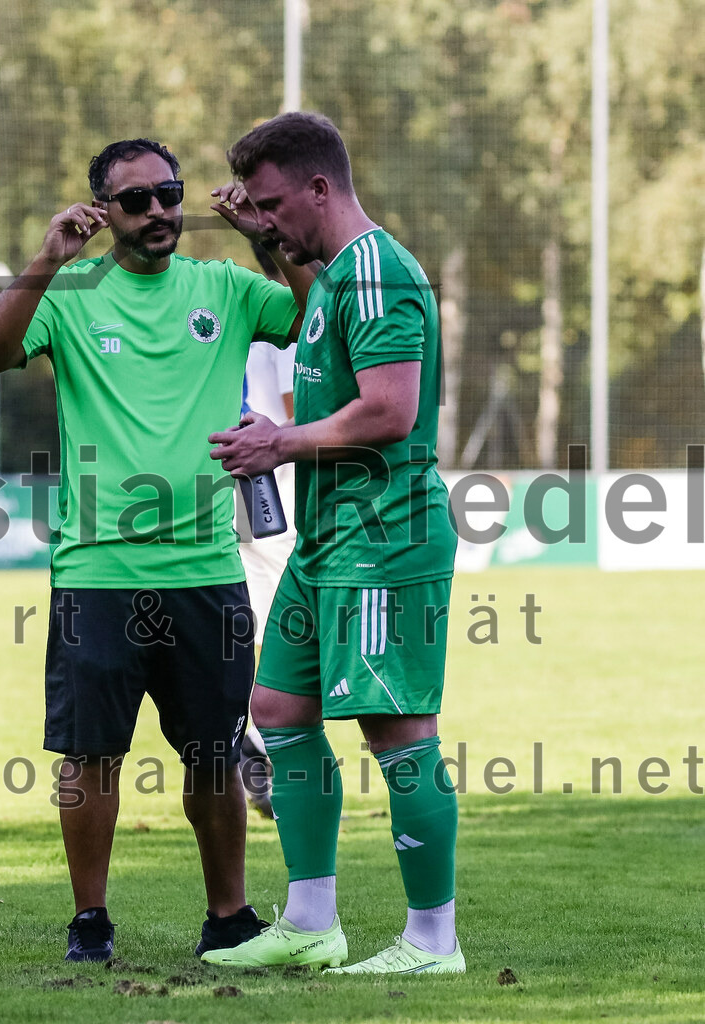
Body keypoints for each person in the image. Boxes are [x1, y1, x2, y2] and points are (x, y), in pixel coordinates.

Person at [0, 138, 316, 963]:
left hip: (204, 568)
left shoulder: (225, 288)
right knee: (90, 756)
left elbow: (313, 314)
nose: (158, 210)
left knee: (212, 753)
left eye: (169, 193)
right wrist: (47, 259)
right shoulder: (70, 293)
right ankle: (90, 920)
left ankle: (227, 917)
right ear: (102, 213)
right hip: (99, 570)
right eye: (136, 200)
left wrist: (263, 238)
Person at [201, 112, 463, 975]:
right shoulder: (337, 275)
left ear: (321, 187)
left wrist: (278, 441)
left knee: (397, 731)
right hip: (327, 540)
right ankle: (312, 922)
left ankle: (433, 941)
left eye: (274, 204)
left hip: (385, 538)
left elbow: (388, 411)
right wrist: (265, 244)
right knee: (276, 711)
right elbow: (326, 344)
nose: (266, 217)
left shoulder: (382, 271)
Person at [236, 242, 298, 819]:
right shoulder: (291, 321)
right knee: (283, 619)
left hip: (238, 475)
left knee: (247, 617)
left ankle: (245, 737)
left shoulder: (241, 309)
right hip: (271, 481)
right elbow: (295, 413)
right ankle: (259, 741)